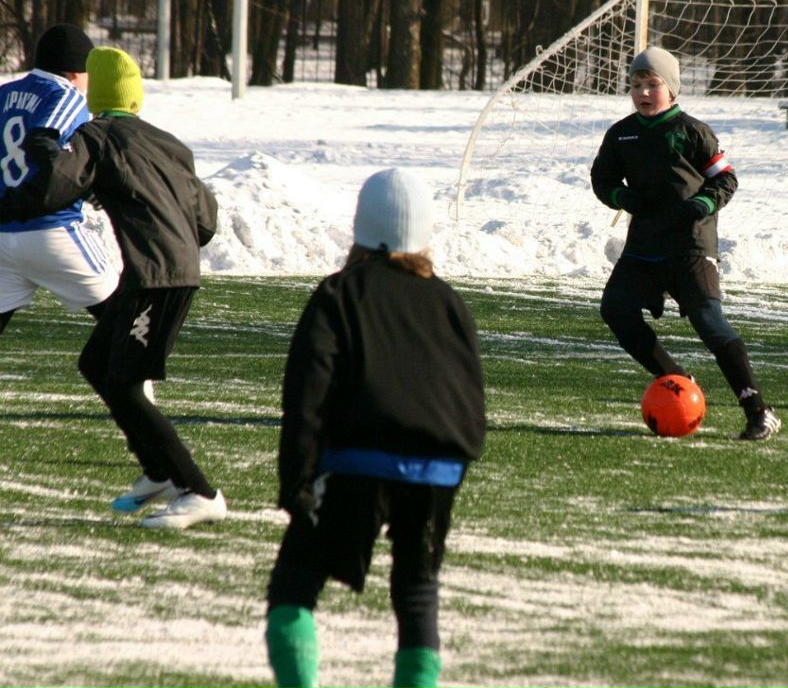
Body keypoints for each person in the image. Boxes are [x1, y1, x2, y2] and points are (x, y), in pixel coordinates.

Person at [264, 168, 486, 688]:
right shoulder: (449, 300)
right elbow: (469, 391)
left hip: (356, 462)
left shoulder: (340, 292)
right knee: (416, 593)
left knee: (293, 590)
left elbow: (307, 393)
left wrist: (297, 481)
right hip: (439, 467)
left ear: (360, 227)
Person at [0, 46, 224, 529]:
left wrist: (46, 159)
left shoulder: (95, 135)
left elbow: (55, 189)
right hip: (163, 272)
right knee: (95, 363)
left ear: (95, 95)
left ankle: (199, 491)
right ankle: (157, 471)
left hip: (156, 279)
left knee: (124, 384)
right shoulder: (167, 142)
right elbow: (206, 221)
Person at [590, 46, 781, 441]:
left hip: (691, 247)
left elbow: (726, 179)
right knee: (616, 310)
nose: (644, 92)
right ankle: (674, 378)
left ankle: (758, 410)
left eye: (653, 84)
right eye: (636, 85)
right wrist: (621, 198)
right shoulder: (621, 133)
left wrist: (703, 203)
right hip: (643, 247)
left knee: (710, 325)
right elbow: (602, 180)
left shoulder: (693, 132)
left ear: (672, 89)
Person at [0, 23, 119, 334]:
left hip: (1, 233)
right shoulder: (67, 97)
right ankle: (133, 384)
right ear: (78, 71)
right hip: (51, 230)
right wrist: (87, 184)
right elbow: (45, 144)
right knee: (126, 320)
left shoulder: (4, 94)